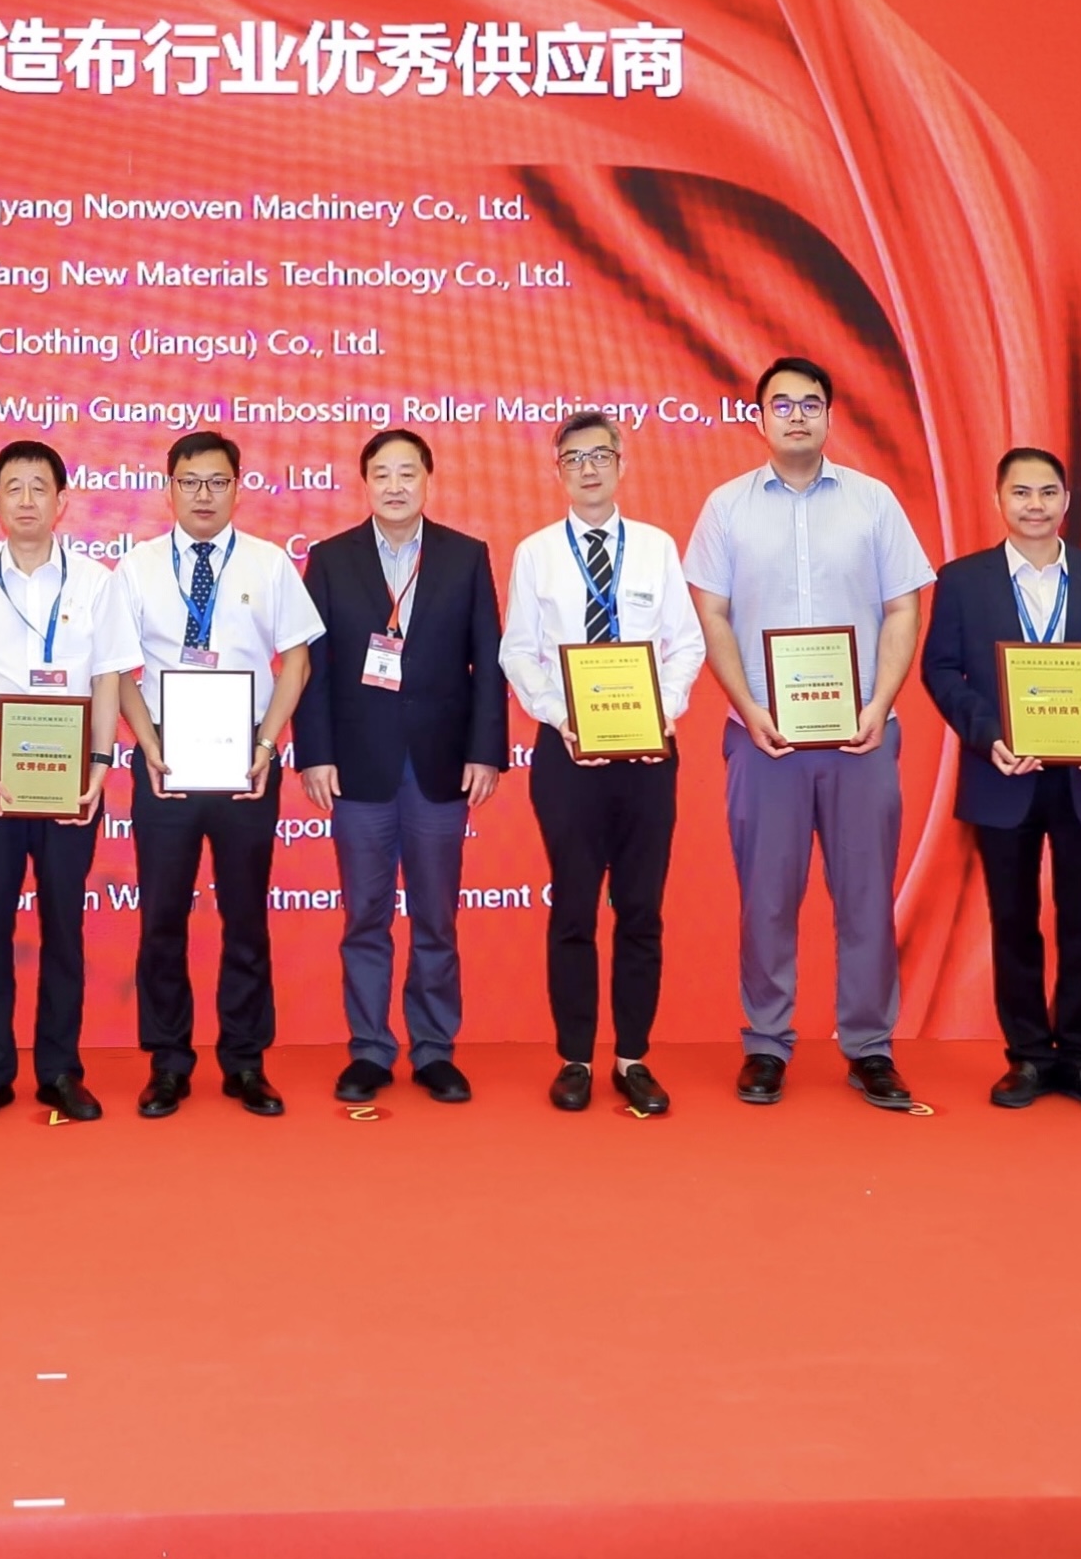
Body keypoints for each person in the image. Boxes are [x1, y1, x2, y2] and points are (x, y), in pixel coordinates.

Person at [686, 355, 939, 1114]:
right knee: (767, 898)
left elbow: (903, 608)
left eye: (810, 403)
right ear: (759, 416)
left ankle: (869, 1046)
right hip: (764, 737)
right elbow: (711, 614)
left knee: (865, 899)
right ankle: (767, 1042)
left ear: (830, 414)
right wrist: (746, 704)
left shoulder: (874, 502)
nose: (796, 415)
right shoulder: (726, 507)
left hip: (862, 734)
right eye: (782, 403)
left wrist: (879, 702)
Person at [914, 447, 1081, 1118]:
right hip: (1004, 770)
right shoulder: (962, 580)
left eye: (1048, 492)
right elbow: (941, 669)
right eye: (1021, 492)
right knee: (1012, 919)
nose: (1035, 505)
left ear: (1066, 500)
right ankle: (1027, 1054)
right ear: (999, 500)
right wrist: (989, 734)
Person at [496, 412, 706, 1115]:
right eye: (574, 458)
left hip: (648, 754)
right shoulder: (536, 553)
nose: (588, 469)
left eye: (600, 455)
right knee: (575, 908)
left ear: (622, 463)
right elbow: (518, 651)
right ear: (557, 471)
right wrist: (565, 717)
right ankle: (576, 1058)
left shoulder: (655, 547)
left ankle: (633, 1057)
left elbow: (686, 644)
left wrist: (662, 711)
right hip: (567, 754)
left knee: (641, 908)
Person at [292, 427, 507, 1105]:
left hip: (440, 764)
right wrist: (315, 754)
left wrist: (486, 750)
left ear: (427, 480)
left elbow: (488, 661)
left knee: (437, 918)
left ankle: (435, 1048)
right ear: (365, 483)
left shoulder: (466, 556)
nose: (394, 485)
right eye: (381, 473)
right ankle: (370, 1049)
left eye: (407, 472)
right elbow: (313, 668)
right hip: (358, 766)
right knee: (366, 916)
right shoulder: (331, 559)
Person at [115, 430, 321, 1120]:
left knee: (245, 915)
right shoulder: (137, 567)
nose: (203, 494)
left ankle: (245, 1061)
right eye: (190, 481)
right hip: (166, 764)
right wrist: (147, 744)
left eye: (217, 481)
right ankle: (168, 1063)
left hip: (245, 764)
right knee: (162, 917)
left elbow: (296, 660)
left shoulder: (268, 563)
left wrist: (267, 743)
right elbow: (117, 667)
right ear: (168, 488)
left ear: (238, 487)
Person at [0, 439, 139, 1125]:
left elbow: (107, 678)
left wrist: (100, 766)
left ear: (61, 501)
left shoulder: (97, 583)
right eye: (12, 488)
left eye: (38, 487)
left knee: (63, 923)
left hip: (69, 759)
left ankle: (59, 1071)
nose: (25, 500)